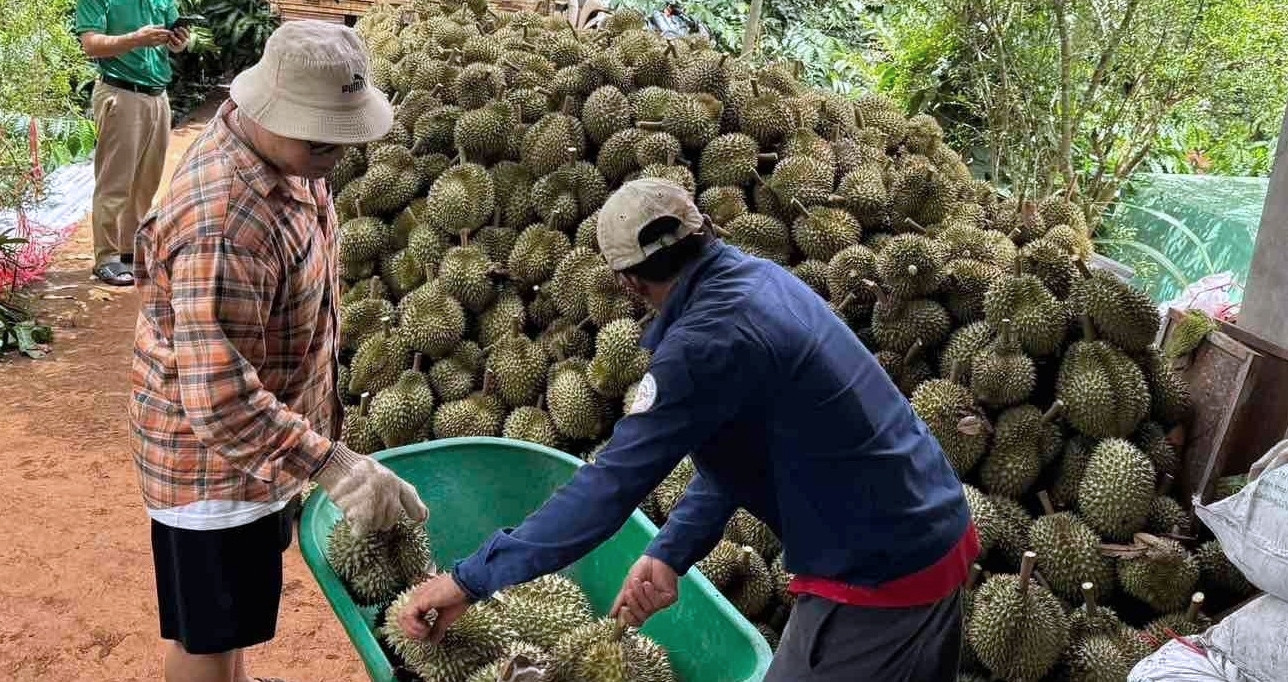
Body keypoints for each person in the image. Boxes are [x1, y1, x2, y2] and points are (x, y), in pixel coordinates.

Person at [397, 178, 981, 680]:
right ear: (704, 231)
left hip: (878, 575)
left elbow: (607, 489)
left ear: (628, 282)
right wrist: (672, 550)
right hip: (938, 526)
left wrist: (468, 582)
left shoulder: (701, 346)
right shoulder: (762, 279)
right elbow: (742, 451)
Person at [128, 21, 427, 682]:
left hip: (262, 452)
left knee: (231, 623)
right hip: (212, 470)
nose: (335, 153)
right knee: (206, 640)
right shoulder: (223, 224)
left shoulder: (290, 158)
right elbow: (220, 402)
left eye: (343, 135)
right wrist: (333, 464)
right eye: (320, 136)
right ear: (270, 110)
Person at [74, 0, 189, 286]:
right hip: (120, 93)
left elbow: (175, 44)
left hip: (158, 95)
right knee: (115, 181)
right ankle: (107, 257)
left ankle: (131, 248)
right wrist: (135, 39)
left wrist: (178, 41)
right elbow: (90, 45)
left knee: (147, 181)